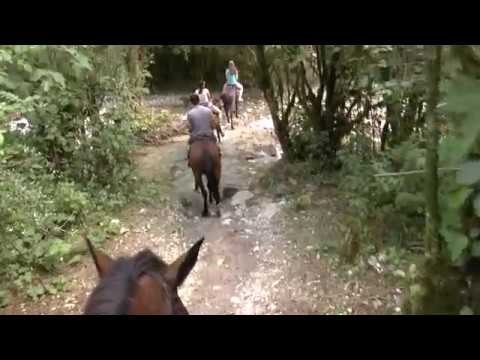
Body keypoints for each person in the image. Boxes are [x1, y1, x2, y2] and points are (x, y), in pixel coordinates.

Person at [186, 94, 221, 167]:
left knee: (190, 147)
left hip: (196, 136)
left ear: (191, 102)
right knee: (216, 145)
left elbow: (190, 128)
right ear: (199, 100)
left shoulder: (190, 113)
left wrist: (191, 130)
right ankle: (219, 155)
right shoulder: (208, 110)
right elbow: (213, 125)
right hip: (208, 135)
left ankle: (189, 160)